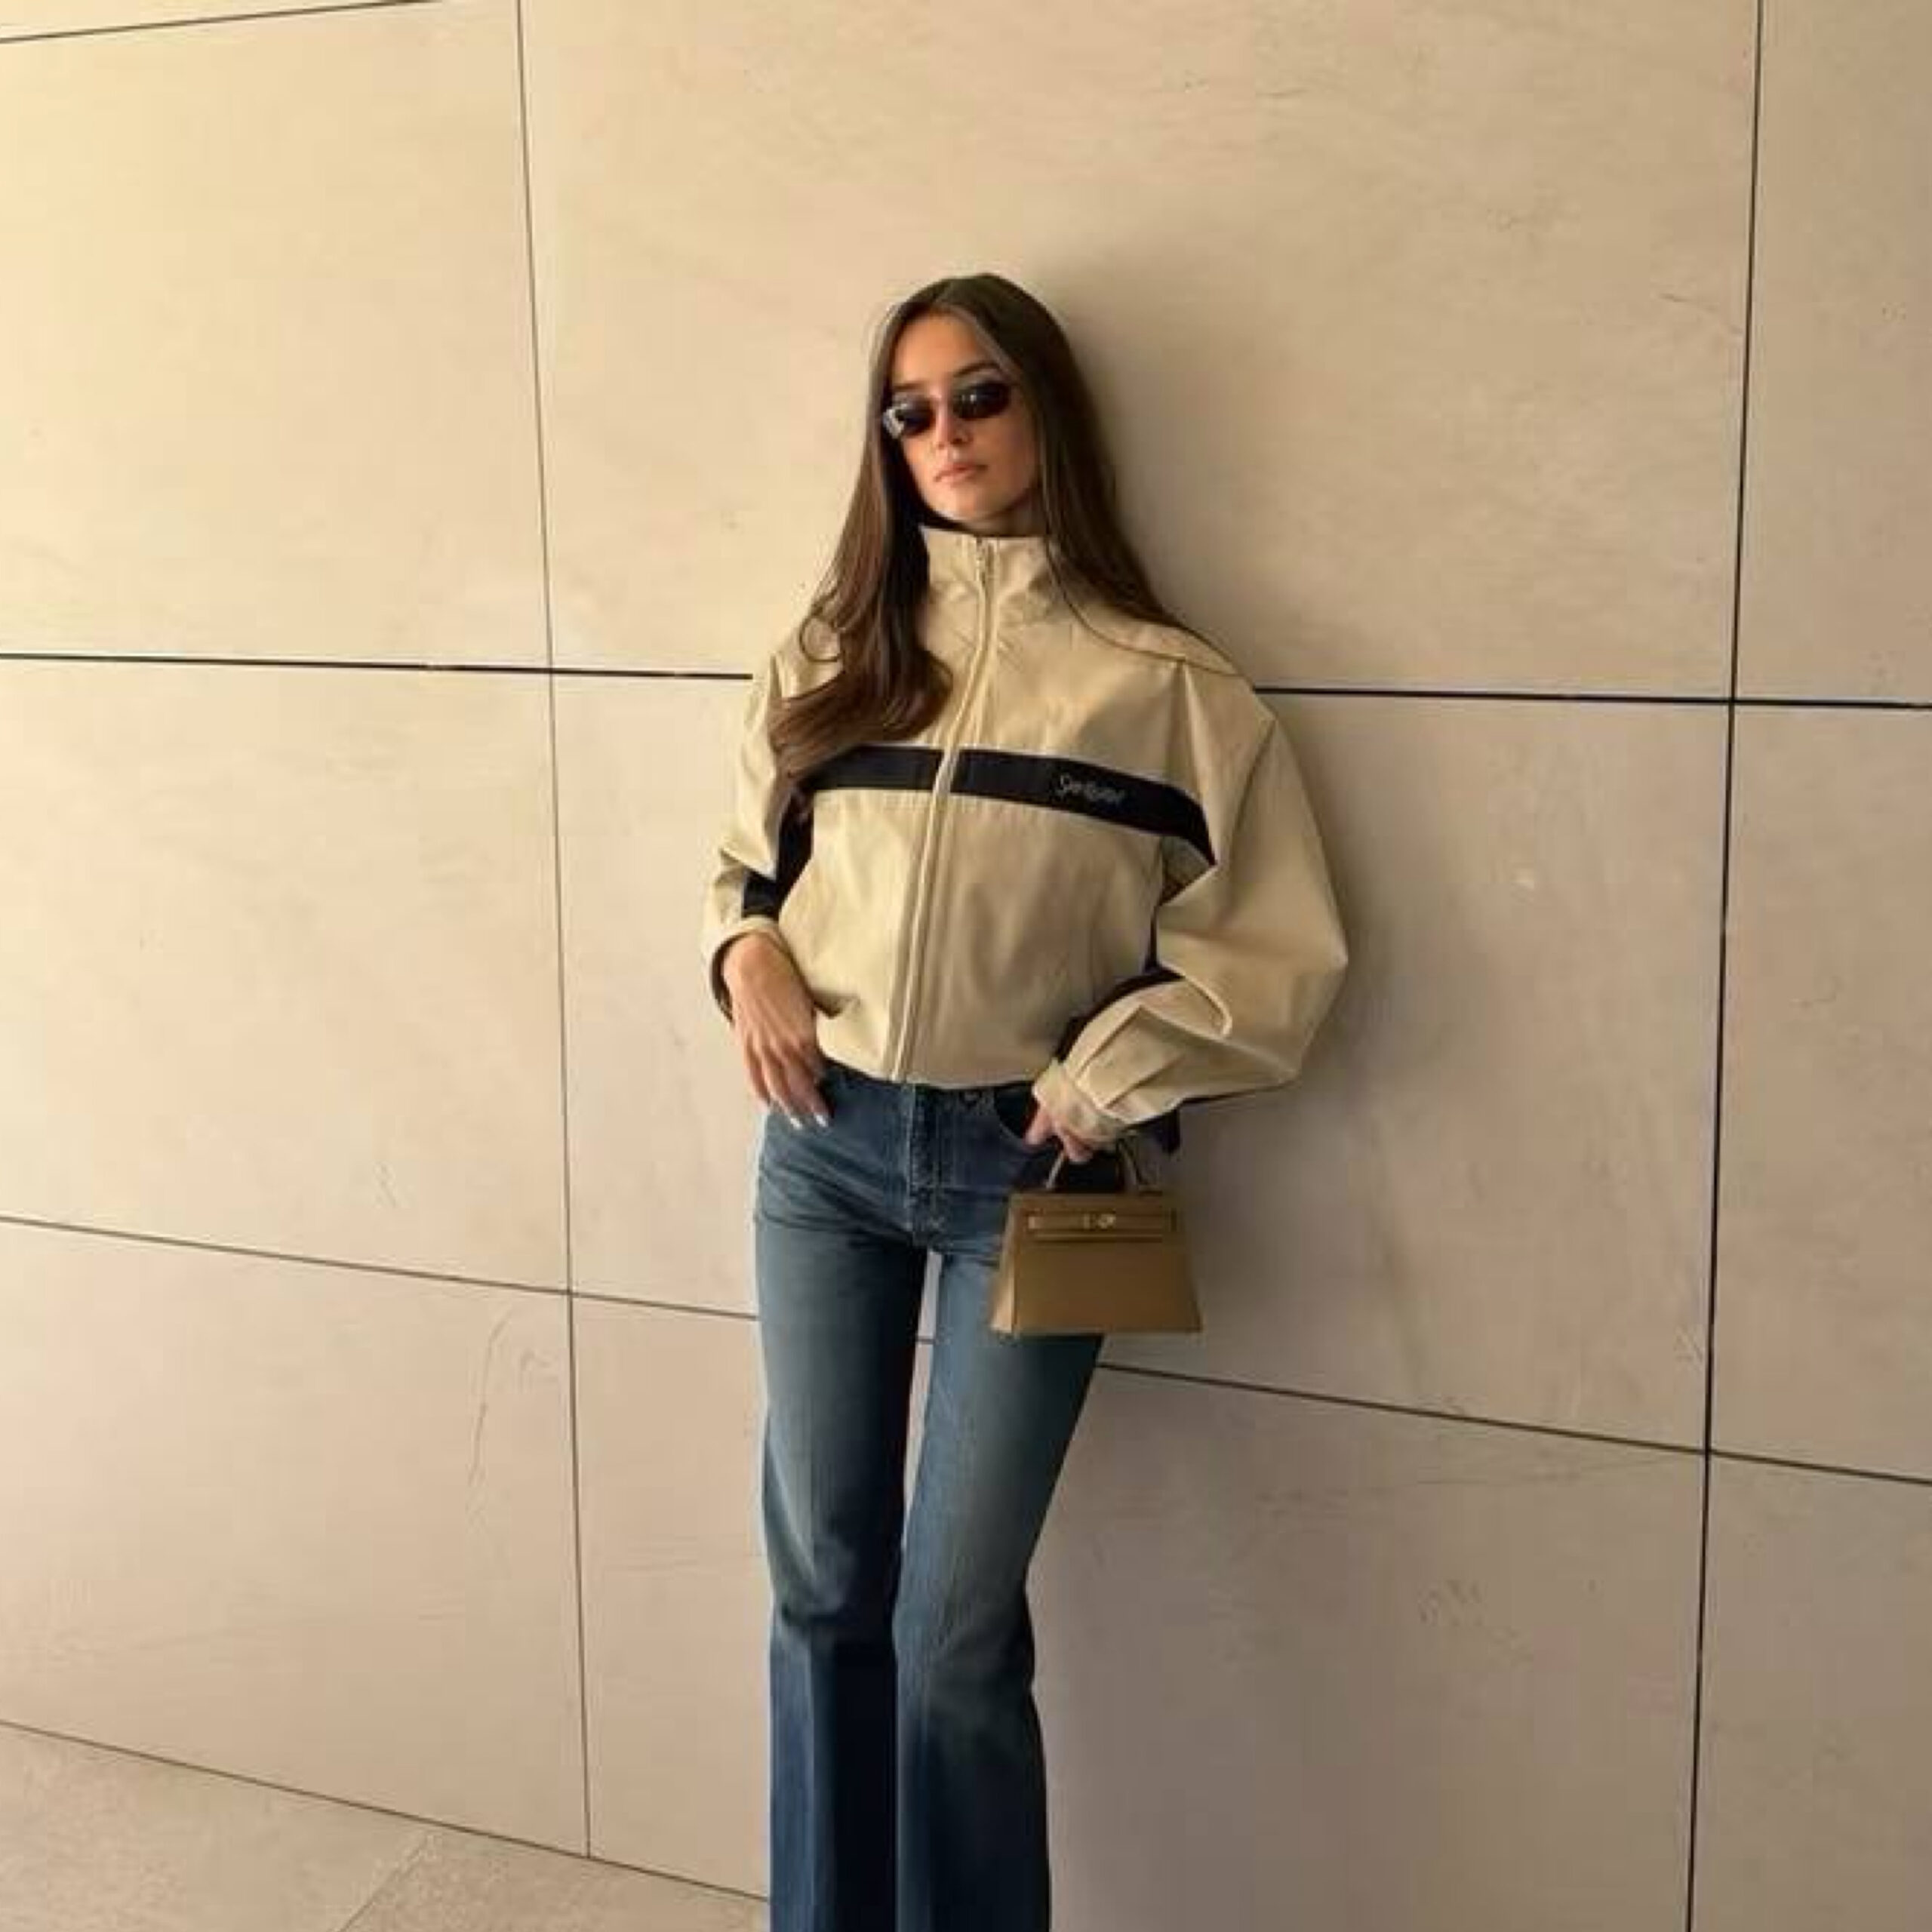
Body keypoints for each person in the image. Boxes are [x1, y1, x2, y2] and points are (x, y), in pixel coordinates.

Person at [699, 272, 1349, 1932]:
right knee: (821, 1584)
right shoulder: (832, 653)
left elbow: (1272, 967)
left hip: (1040, 1177)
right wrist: (743, 952)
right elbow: (742, 869)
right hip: (823, 1152)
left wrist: (1096, 1081)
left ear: (1045, 404)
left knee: (952, 1630)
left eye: (978, 394)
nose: (946, 433)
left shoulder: (1171, 691)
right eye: (908, 410)